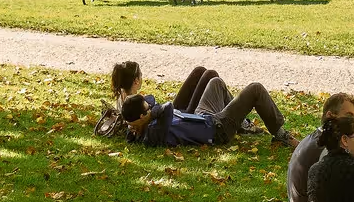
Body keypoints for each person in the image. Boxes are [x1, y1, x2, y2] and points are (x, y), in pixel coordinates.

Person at [110, 61, 291, 147]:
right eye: (147, 109)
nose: (150, 106)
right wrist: (151, 112)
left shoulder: (139, 125)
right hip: (217, 129)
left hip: (201, 118)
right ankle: (280, 133)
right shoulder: (153, 133)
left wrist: (143, 116)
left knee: (215, 82)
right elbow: (166, 107)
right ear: (142, 117)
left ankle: (241, 124)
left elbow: (151, 103)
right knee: (255, 89)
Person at [287, 94, 354, 202]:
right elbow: (334, 200)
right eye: (349, 116)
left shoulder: (316, 138)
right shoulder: (326, 149)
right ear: (330, 116)